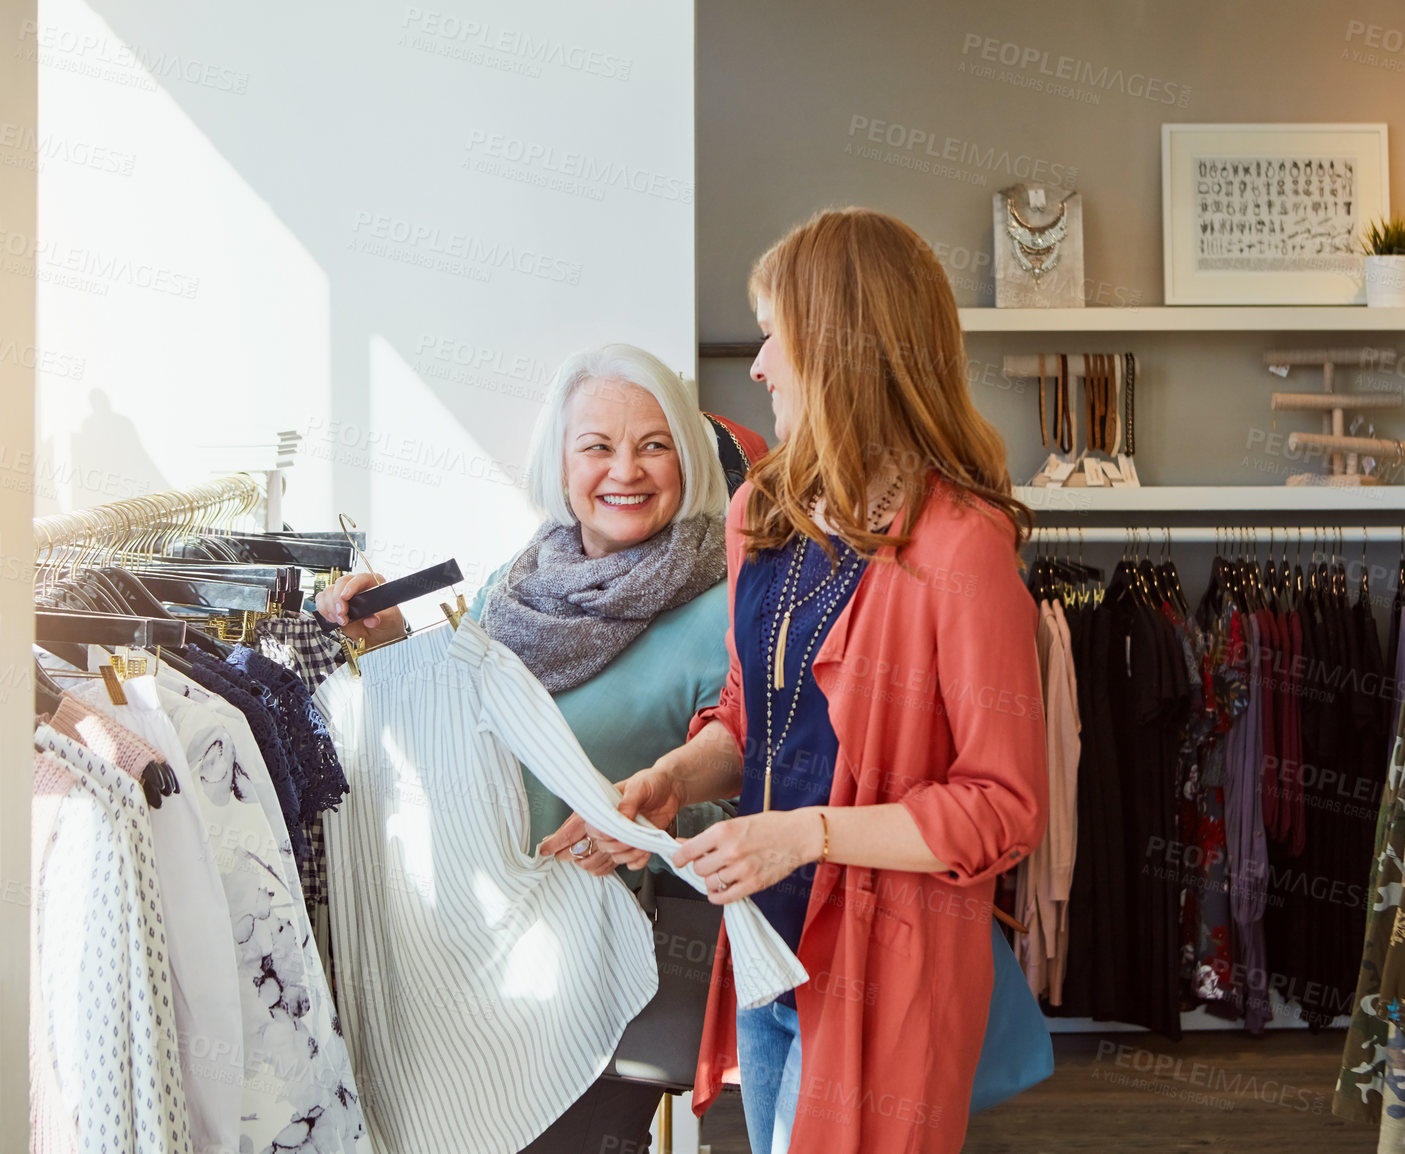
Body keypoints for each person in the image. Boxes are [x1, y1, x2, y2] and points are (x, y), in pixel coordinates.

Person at [564, 208, 1049, 1153]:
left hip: (888, 967)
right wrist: (672, 780)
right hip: (766, 950)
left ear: (836, 348)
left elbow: (1004, 807)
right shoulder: (764, 513)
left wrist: (806, 836)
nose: (757, 366)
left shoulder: (961, 546)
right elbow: (753, 718)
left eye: (773, 334)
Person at [316, 342, 759, 1154]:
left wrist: (644, 817)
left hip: (611, 976)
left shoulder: (726, 609)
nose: (625, 468)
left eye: (653, 445)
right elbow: (464, 729)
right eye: (597, 446)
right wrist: (387, 644)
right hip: (473, 970)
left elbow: (757, 799)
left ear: (688, 460)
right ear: (560, 466)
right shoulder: (515, 589)